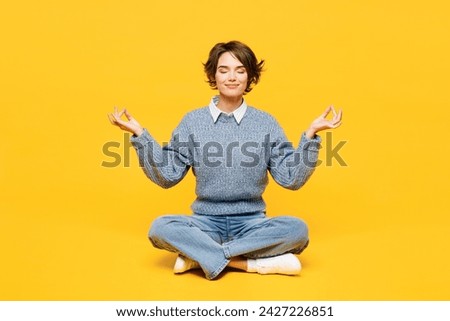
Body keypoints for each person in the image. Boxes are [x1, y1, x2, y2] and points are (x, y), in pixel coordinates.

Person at [108, 40, 342, 280]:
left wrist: (311, 136)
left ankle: (200, 257)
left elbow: (291, 178)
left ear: (250, 77)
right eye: (224, 70)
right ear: (213, 75)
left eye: (240, 71)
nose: (232, 77)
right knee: (160, 228)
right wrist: (140, 135)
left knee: (297, 230)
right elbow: (168, 175)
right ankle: (248, 264)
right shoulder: (193, 122)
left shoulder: (266, 123)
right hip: (205, 224)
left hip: (252, 224)